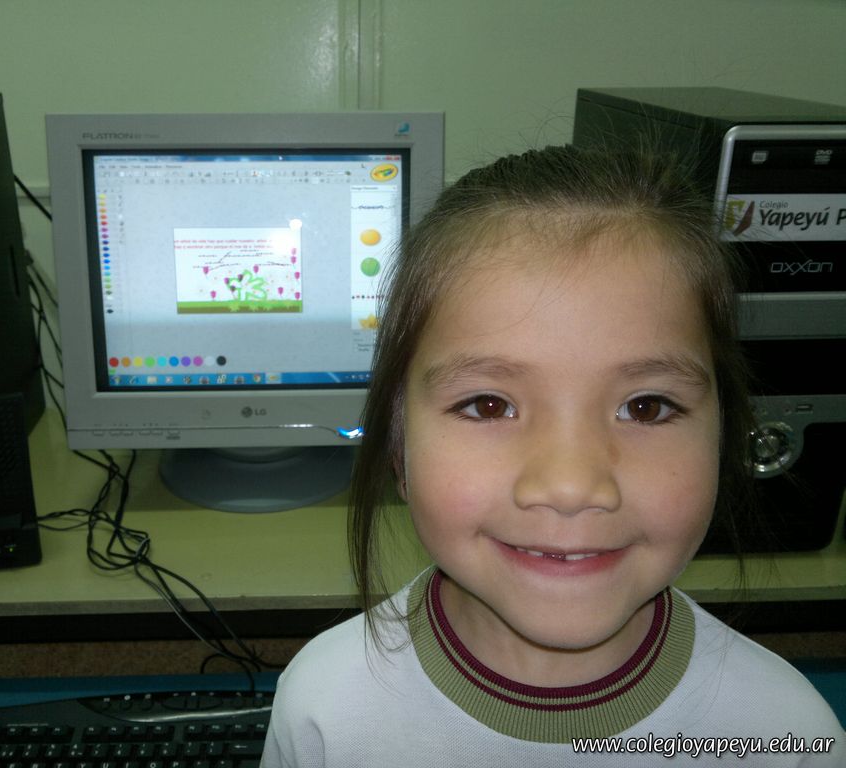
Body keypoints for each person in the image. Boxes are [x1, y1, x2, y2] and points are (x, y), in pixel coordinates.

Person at [261, 145, 844, 766]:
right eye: (488, 405)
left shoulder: (785, 735)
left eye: (646, 407)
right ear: (398, 447)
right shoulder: (325, 709)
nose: (570, 485)